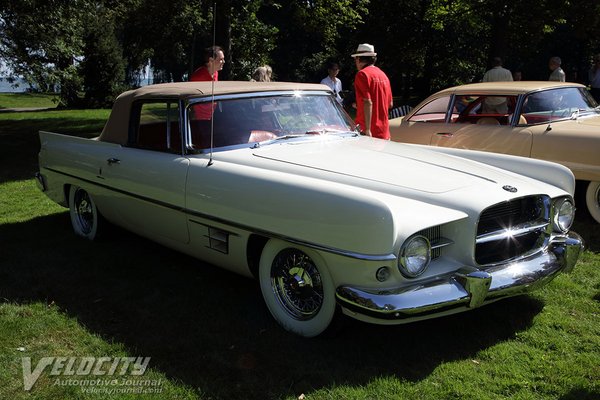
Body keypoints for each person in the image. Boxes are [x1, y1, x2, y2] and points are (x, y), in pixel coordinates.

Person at [351, 43, 393, 139]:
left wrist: (368, 130)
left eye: (355, 59)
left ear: (358, 59)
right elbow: (390, 104)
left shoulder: (362, 74)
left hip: (368, 132)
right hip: (384, 131)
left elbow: (368, 102)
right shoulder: (383, 75)